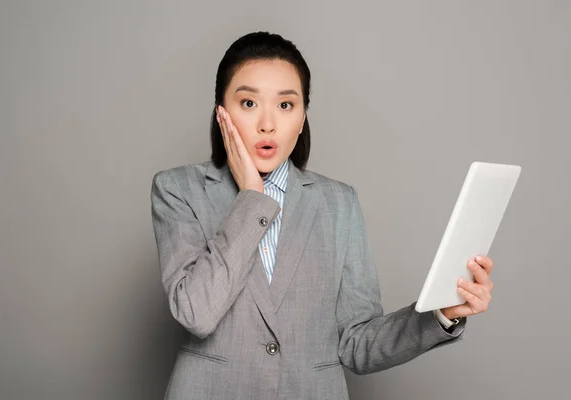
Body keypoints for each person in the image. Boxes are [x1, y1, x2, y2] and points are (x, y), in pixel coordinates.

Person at [150, 31, 495, 400]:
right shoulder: (178, 190)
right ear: (222, 113)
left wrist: (440, 314)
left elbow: (357, 342)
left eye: (285, 106)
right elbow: (195, 312)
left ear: (302, 119)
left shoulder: (339, 202)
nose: (267, 124)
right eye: (248, 103)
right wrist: (253, 198)